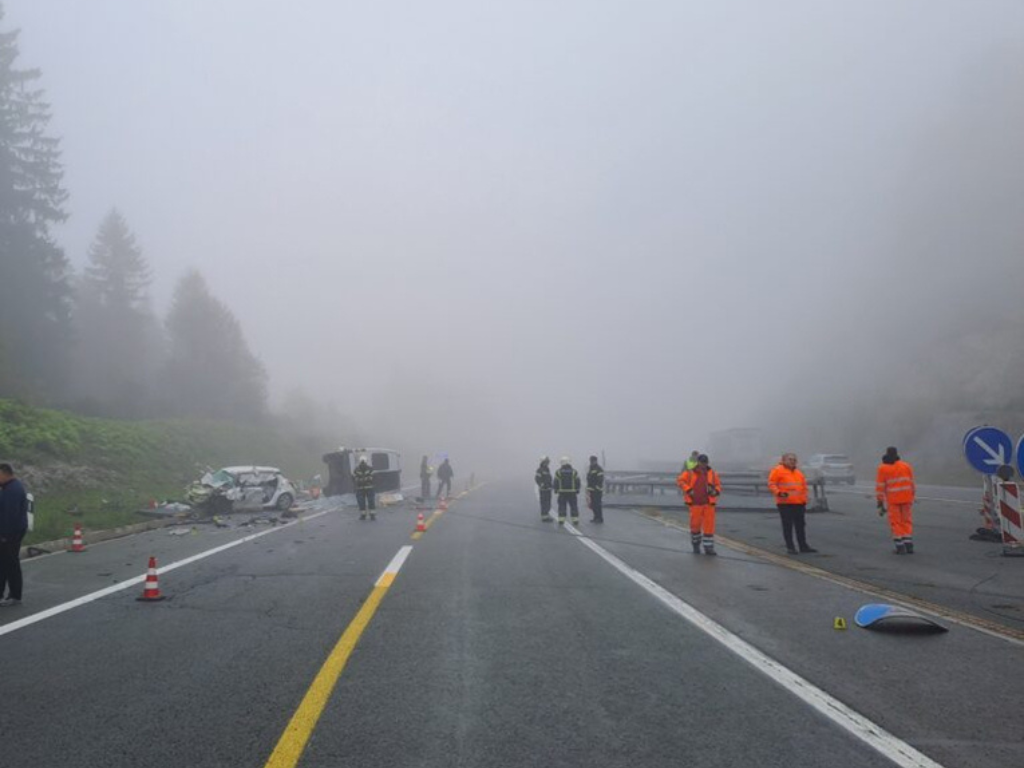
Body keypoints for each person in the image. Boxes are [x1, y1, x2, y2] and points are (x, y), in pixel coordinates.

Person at [767, 453, 817, 555]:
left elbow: (803, 488)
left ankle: (803, 546)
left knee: (800, 525)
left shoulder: (799, 473)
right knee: (788, 525)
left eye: (794, 460)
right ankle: (790, 547)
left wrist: (805, 499)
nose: (792, 461)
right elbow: (771, 483)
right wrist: (778, 493)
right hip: (785, 504)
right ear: (784, 460)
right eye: (790, 459)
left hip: (799, 503)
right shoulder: (777, 470)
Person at [676, 453, 721, 555]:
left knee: (709, 527)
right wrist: (688, 490)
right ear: (698, 462)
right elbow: (680, 481)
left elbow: (718, 485)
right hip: (695, 504)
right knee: (695, 526)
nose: (703, 465)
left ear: (707, 463)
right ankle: (696, 546)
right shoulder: (690, 473)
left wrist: (715, 491)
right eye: (701, 463)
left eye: (705, 463)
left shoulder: (713, 474)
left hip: (709, 504)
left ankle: (709, 548)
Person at [876, 446, 916, 554]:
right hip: (907, 499)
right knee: (906, 521)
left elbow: (880, 487)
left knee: (896, 523)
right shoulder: (906, 466)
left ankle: (900, 546)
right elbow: (912, 484)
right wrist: (912, 497)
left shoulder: (883, 468)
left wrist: (880, 502)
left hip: (893, 500)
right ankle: (909, 544)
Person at [0, 463, 29, 607]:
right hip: (11, 531)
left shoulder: (12, 489)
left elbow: (10, 516)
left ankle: (15, 596)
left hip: (11, 533)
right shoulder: (9, 487)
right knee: (4, 563)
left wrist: (4, 535)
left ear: (5, 473)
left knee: (10, 563)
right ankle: (8, 595)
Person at [553, 456, 581, 525]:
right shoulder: (574, 471)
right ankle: (575, 520)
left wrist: (555, 489)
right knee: (574, 506)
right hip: (572, 492)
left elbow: (555, 481)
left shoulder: (558, 472)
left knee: (562, 506)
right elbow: (577, 481)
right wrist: (577, 489)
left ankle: (561, 520)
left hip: (562, 492)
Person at [353, 455, 376, 520]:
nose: (363, 463)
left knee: (371, 501)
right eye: (361, 462)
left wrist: (362, 480)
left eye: (364, 462)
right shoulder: (356, 469)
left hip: (369, 488)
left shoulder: (370, 469)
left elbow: (373, 477)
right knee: (361, 502)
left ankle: (372, 515)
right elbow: (354, 478)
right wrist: (365, 479)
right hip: (360, 489)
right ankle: (363, 515)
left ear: (366, 462)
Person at [586, 455, 605, 523]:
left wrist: (596, 487)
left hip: (597, 490)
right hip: (592, 489)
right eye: (590, 461)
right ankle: (595, 517)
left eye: (592, 461)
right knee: (593, 505)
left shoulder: (598, 469)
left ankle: (599, 518)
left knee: (597, 504)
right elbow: (589, 479)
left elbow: (600, 479)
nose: (591, 462)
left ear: (595, 461)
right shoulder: (591, 468)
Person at [535, 456, 553, 522]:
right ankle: (544, 517)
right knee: (544, 503)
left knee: (548, 503)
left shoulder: (547, 469)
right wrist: (541, 484)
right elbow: (537, 478)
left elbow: (549, 479)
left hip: (548, 489)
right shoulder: (540, 470)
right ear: (543, 462)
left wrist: (551, 485)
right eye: (546, 462)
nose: (547, 463)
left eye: (548, 462)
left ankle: (546, 515)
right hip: (543, 490)